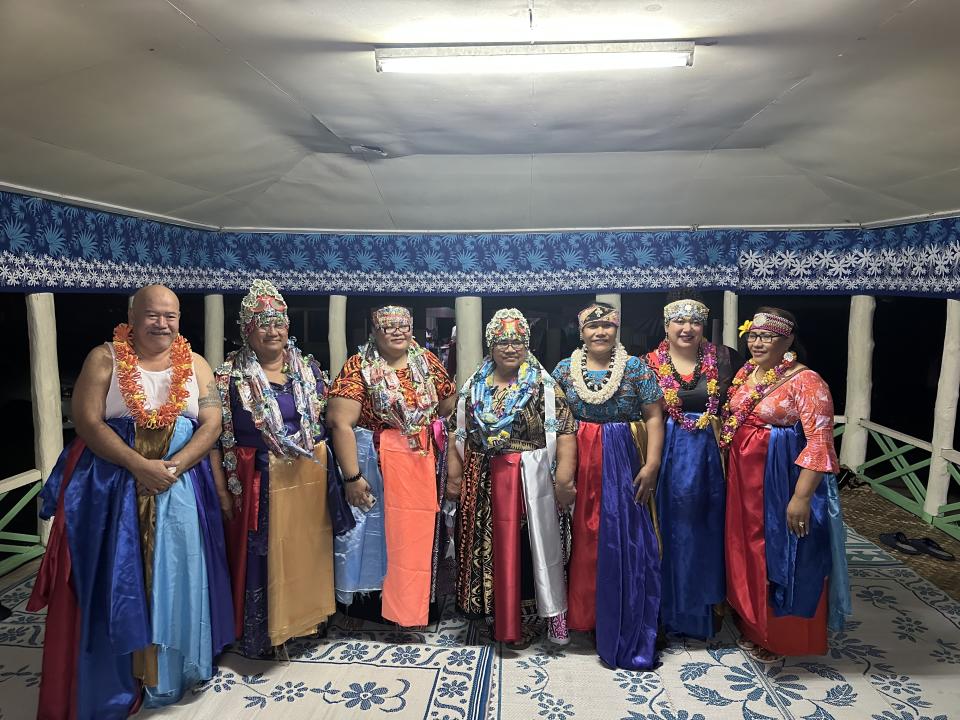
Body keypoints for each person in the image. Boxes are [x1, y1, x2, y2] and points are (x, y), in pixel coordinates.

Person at [28, 284, 233, 718]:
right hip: (114, 488)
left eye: (171, 316)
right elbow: (86, 420)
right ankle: (119, 677)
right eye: (152, 315)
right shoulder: (105, 358)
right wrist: (138, 465)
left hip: (180, 489)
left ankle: (170, 673)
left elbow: (212, 422)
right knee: (117, 579)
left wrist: (174, 466)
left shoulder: (195, 363)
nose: (162, 323)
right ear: (132, 315)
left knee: (178, 574)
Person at [211, 279, 351, 658]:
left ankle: (308, 620)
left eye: (279, 322)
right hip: (258, 479)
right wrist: (223, 489)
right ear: (246, 331)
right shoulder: (226, 378)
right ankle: (268, 631)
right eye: (262, 323)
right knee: (266, 556)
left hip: (307, 476)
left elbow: (324, 419)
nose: (272, 331)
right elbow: (213, 436)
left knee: (309, 548)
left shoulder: (309, 370)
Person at [721, 307, 851, 659]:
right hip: (744, 479)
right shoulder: (747, 373)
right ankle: (751, 619)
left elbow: (820, 441)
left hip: (781, 477)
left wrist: (801, 497)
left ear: (789, 339)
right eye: (754, 335)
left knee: (783, 550)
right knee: (748, 545)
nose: (758, 343)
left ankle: (781, 636)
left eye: (768, 336)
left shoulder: (807, 381)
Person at [448, 308, 577, 648]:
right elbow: (456, 433)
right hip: (484, 478)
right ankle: (493, 611)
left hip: (529, 480)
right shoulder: (474, 386)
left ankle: (535, 614)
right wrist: (454, 474)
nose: (510, 348)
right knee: (486, 545)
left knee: (529, 544)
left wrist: (564, 480)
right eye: (503, 342)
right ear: (490, 346)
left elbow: (565, 431)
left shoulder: (543, 386)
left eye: (517, 341)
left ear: (527, 345)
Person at [327, 305, 456, 628]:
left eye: (404, 326)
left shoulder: (426, 362)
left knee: (417, 537)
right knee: (374, 535)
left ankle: (416, 603)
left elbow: (448, 405)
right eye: (389, 327)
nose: (398, 332)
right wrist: (352, 477)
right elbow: (340, 422)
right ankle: (373, 606)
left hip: (421, 464)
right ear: (375, 331)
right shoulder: (359, 367)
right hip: (374, 464)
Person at [552, 302, 664, 668]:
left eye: (607, 326)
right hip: (578, 455)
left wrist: (652, 463)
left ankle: (623, 614)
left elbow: (654, 416)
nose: (600, 332)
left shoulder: (636, 369)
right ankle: (582, 616)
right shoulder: (564, 371)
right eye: (592, 327)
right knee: (582, 538)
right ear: (580, 332)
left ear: (617, 330)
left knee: (622, 538)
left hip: (622, 457)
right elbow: (553, 420)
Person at [645, 299, 741, 640]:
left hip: (708, 459)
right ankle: (665, 609)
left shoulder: (725, 359)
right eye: (679, 322)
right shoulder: (648, 364)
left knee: (706, 529)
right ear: (666, 326)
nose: (686, 328)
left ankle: (703, 608)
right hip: (665, 455)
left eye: (694, 322)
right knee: (667, 530)